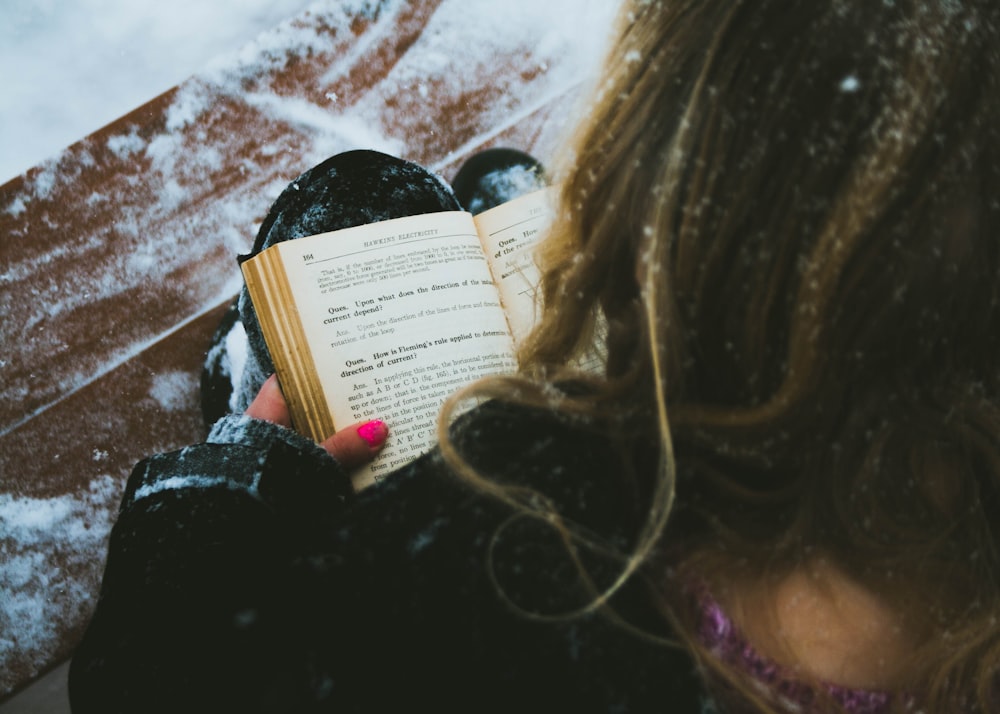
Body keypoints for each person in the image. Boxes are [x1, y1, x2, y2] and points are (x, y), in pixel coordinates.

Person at [68, 0, 1000, 712]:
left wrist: (216, 497)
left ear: (662, 204)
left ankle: (252, 388)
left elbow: (159, 687)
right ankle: (512, 217)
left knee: (362, 199)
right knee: (483, 194)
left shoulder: (518, 536)